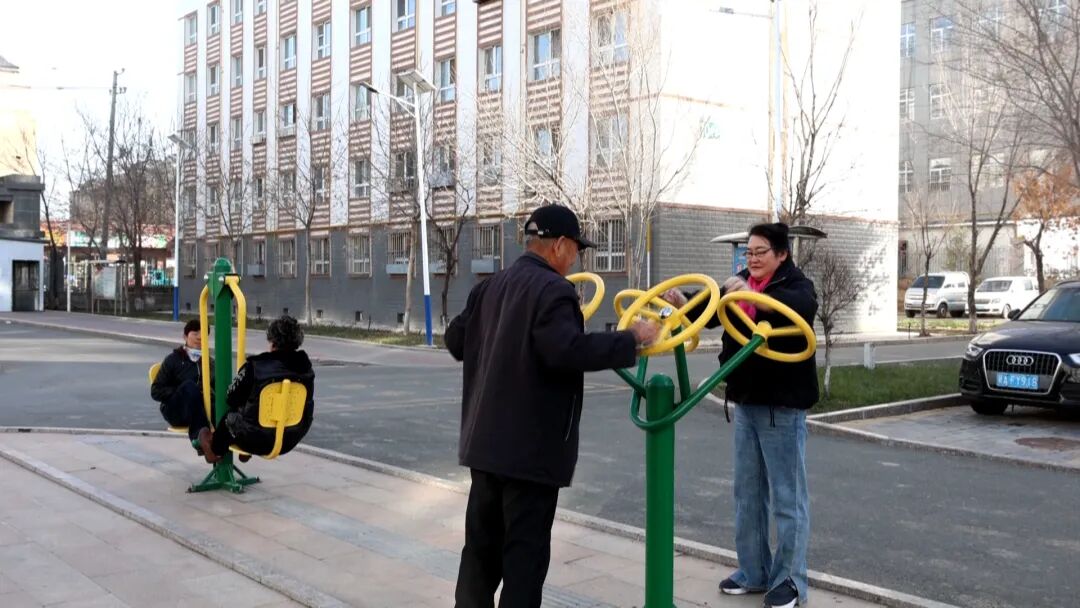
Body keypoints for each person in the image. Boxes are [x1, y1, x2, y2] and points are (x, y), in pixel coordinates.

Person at [447, 204, 660, 608]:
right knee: (523, 560)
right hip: (530, 453)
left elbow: (456, 341)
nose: (576, 258)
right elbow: (566, 349)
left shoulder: (488, 287)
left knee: (480, 554)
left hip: (484, 446)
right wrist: (631, 339)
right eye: (576, 248)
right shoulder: (555, 291)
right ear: (559, 245)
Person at [663, 222, 818, 608]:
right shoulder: (741, 283)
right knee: (747, 493)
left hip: (781, 407)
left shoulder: (795, 286)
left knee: (787, 497)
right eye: (748, 252)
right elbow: (711, 307)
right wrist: (683, 302)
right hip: (747, 403)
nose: (752, 259)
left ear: (782, 254)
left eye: (760, 252)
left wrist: (753, 295)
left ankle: (791, 581)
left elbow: (800, 309)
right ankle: (754, 571)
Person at [200, 315, 315, 463]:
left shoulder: (255, 367)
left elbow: (231, 397)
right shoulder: (307, 370)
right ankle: (243, 447)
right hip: (289, 439)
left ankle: (215, 450)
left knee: (229, 415)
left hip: (255, 438)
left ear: (272, 341)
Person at [150, 319, 214, 456]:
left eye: (203, 334)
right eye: (195, 333)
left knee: (223, 400)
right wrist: (181, 392)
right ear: (185, 336)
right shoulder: (173, 360)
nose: (199, 337)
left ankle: (235, 440)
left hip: (199, 410)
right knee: (190, 387)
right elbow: (155, 391)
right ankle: (200, 438)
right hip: (176, 410)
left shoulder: (209, 362)